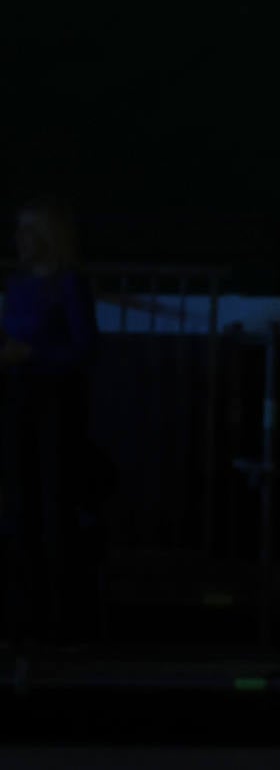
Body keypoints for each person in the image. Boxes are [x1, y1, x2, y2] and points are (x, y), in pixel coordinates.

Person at [0, 196, 100, 645]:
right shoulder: (19, 283)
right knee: (21, 501)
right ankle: (27, 609)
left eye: (27, 230)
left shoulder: (68, 284)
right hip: (20, 395)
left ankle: (63, 616)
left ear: (46, 236)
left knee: (54, 502)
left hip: (57, 400)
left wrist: (32, 353)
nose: (18, 239)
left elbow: (85, 349)